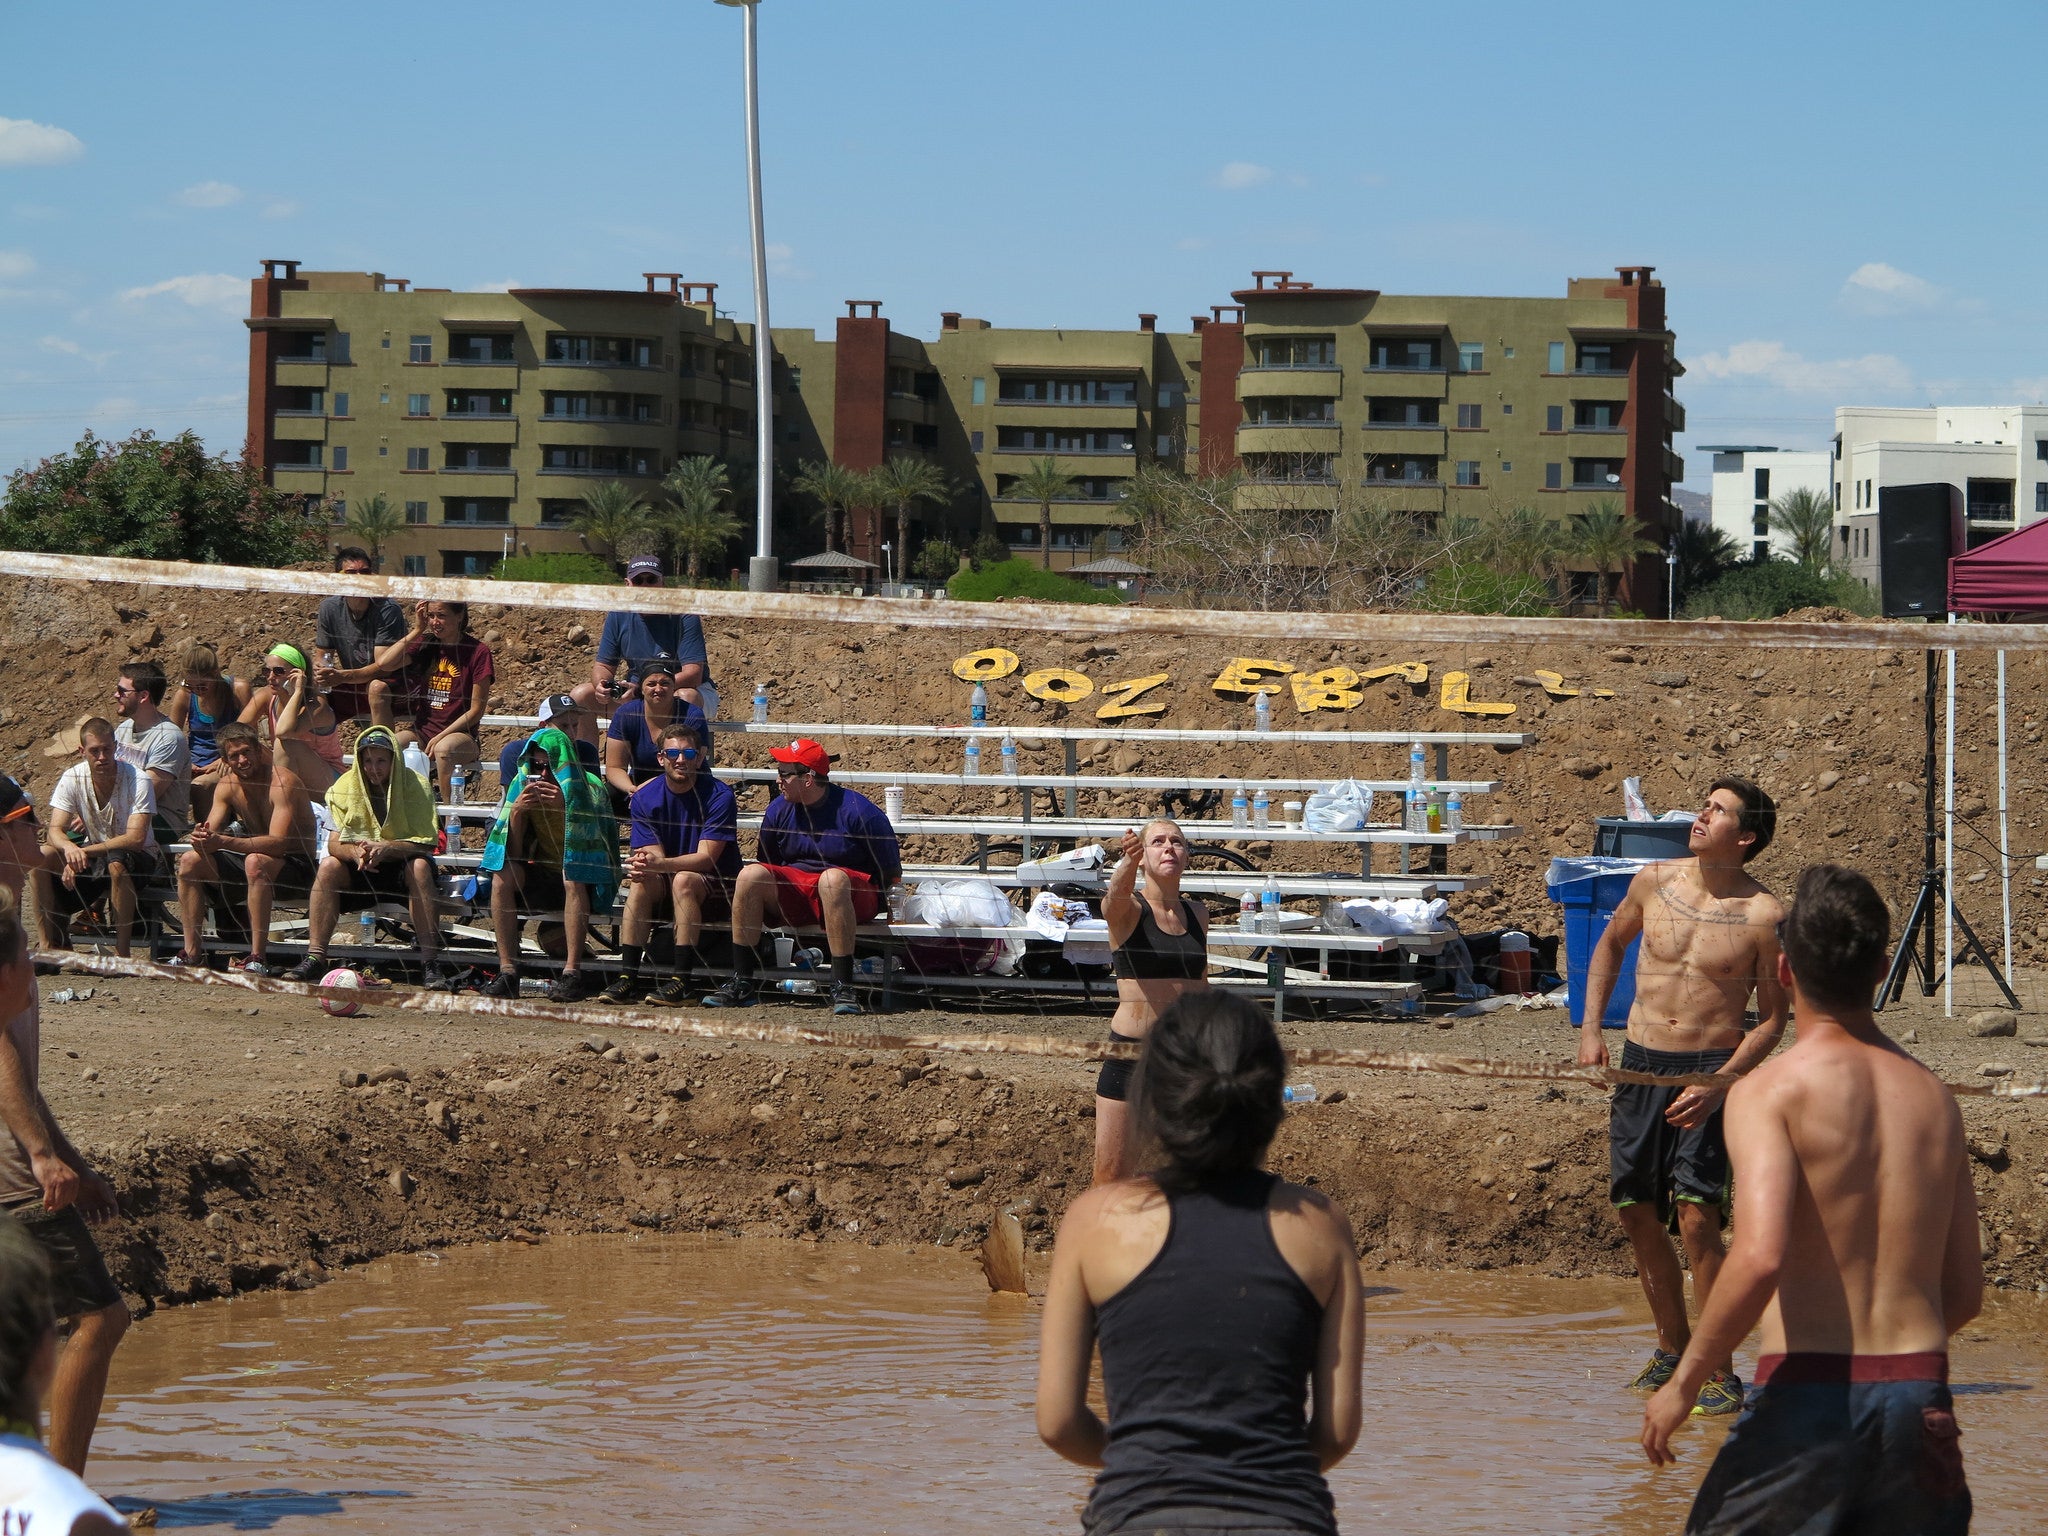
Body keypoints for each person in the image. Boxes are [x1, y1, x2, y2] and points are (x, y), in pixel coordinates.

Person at [1643, 864, 1983, 1535]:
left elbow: (1761, 1254)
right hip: (1921, 1395)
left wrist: (1685, 1382)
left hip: (1810, 1392)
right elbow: (1964, 1292)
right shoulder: (1934, 1100)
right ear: (1885, 968)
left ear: (1785, 971)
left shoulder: (1772, 1091)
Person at [1037, 990, 1363, 1536]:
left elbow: (1058, 1423)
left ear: (1151, 1100)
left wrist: (1147, 1461)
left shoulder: (1096, 1220)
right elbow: (1335, 1433)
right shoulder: (1320, 1224)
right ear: (1271, 1101)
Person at [1578, 777, 1787, 1418]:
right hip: (1641, 1065)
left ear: (1745, 836)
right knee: (1635, 1209)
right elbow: (1610, 944)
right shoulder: (1653, 880)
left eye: (1717, 811)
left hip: (1710, 1070)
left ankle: (1719, 1371)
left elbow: (1777, 1018)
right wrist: (1590, 1031)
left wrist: (1719, 1081)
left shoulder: (1764, 916)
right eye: (1704, 805)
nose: (1700, 817)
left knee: (1698, 1218)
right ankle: (1672, 1348)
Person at [0, 888, 130, 1486]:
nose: (33, 962)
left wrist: (73, 1160)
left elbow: (24, 1088)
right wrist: (45, 1158)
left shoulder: (12, 964)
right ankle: (60, 1496)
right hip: (15, 1184)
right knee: (100, 1319)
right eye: (25, 950)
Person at [702, 737, 898, 1017]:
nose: (777, 780)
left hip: (851, 893)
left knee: (832, 879)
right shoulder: (778, 809)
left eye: (784, 773)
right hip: (801, 888)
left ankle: (843, 985)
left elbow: (889, 869)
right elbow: (767, 860)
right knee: (750, 875)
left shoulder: (858, 810)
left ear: (808, 779)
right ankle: (742, 979)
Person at [286, 725, 448, 990]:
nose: (374, 768)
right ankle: (315, 956)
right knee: (328, 866)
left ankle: (430, 961)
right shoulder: (344, 786)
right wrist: (355, 852)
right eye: (368, 761)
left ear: (393, 759)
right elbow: (334, 842)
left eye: (381, 761)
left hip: (400, 865)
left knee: (420, 868)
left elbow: (426, 844)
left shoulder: (415, 785)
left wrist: (387, 848)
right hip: (360, 866)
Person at [1095, 819, 1211, 1186]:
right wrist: (1125, 863)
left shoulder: (1199, 914)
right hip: (1132, 1056)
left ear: (1187, 856)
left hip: (1184, 1057)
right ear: (1144, 856)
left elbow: (1201, 986)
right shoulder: (1129, 909)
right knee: (1111, 1174)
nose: (1168, 847)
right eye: (1157, 841)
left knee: (1194, 1172)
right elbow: (1111, 903)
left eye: (1176, 841)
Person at [477, 726, 618, 1003]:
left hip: (586, 877)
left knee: (572, 873)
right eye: (537, 765)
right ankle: (508, 971)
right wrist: (517, 812)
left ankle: (572, 974)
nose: (542, 774)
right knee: (503, 875)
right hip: (543, 873)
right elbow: (514, 853)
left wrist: (566, 810)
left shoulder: (589, 786)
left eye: (549, 765)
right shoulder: (521, 785)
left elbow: (598, 850)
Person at [606, 722, 740, 1006]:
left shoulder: (719, 795)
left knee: (684, 879)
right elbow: (654, 857)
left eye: (689, 753)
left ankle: (682, 981)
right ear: (660, 758)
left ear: (700, 757)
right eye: (673, 753)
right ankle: (628, 976)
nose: (681, 760)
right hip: (673, 883)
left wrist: (658, 863)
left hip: (718, 885)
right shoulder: (644, 796)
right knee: (642, 878)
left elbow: (706, 859)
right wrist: (648, 863)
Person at [170, 723, 317, 975]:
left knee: (255, 862)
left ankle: (257, 956)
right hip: (255, 861)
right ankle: (192, 953)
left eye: (246, 752)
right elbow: (211, 833)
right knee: (189, 861)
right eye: (234, 756)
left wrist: (222, 842)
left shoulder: (283, 781)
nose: (242, 760)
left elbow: (279, 844)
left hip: (297, 866)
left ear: (259, 751)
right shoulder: (227, 786)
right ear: (225, 760)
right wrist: (201, 838)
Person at [37, 719, 160, 961]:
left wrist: (85, 852)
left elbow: (135, 838)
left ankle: (122, 954)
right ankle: (47, 945)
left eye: (107, 749)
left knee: (117, 862)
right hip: (95, 855)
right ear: (82, 751)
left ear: (116, 747)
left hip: (140, 858)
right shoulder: (73, 777)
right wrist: (70, 848)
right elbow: (55, 830)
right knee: (44, 855)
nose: (102, 757)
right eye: (95, 751)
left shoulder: (138, 779)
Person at [569, 555, 720, 743]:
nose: (645, 585)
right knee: (581, 695)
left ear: (662, 582)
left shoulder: (684, 615)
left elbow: (693, 675)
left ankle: (677, 765)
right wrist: (603, 686)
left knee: (685, 697)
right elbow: (604, 667)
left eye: (651, 579)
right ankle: (587, 767)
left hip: (683, 690)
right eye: (638, 580)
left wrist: (644, 689)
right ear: (628, 584)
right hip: (636, 692)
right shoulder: (618, 615)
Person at [374, 600, 493, 800]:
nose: (435, 622)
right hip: (422, 733)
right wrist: (417, 630)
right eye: (431, 616)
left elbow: (476, 710)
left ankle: (450, 821)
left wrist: (441, 736)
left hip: (462, 736)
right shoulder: (426, 644)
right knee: (390, 746)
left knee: (444, 749)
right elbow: (385, 663)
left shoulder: (478, 652)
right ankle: (390, 811)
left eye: (442, 615)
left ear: (459, 616)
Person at [312, 545, 404, 725]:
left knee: (376, 688)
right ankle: (320, 747)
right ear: (339, 578)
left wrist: (342, 676)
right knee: (305, 688)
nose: (360, 578)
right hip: (354, 681)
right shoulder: (329, 608)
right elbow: (323, 654)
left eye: (365, 572)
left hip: (393, 684)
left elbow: (383, 667)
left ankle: (382, 747)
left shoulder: (387, 609)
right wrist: (320, 669)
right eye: (352, 573)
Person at [602, 654, 710, 803]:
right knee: (605, 798)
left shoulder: (692, 715)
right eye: (651, 684)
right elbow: (614, 767)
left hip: (686, 782)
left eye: (665, 683)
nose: (658, 689)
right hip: (639, 786)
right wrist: (632, 790)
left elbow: (694, 765)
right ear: (641, 689)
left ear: (674, 687)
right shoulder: (626, 714)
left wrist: (650, 788)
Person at [239, 643, 345, 794]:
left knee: (285, 745)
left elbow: (283, 731)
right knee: (246, 751)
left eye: (278, 672)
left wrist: (297, 691)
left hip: (329, 782)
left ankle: (279, 806)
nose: (270, 677)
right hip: (292, 773)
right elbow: (237, 730)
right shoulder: (267, 695)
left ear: (298, 674)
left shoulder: (317, 707)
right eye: (266, 671)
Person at [166, 640, 251, 824]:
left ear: (215, 674)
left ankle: (210, 836)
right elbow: (171, 739)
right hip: (195, 763)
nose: (196, 691)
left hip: (227, 759)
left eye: (202, 686)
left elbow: (249, 735)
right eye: (190, 685)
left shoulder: (238, 690)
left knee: (201, 786)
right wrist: (184, 764)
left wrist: (223, 760)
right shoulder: (185, 696)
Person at [110, 661, 190, 834]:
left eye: (122, 691)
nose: (116, 695)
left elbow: (145, 794)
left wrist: (100, 812)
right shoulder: (123, 730)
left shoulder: (168, 738)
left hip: (161, 820)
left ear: (143, 696)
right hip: (120, 811)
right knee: (64, 841)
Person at [495, 694, 602, 790]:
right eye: (564, 726)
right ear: (543, 726)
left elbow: (594, 799)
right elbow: (511, 801)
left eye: (575, 725)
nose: (572, 733)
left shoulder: (586, 751)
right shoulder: (515, 752)